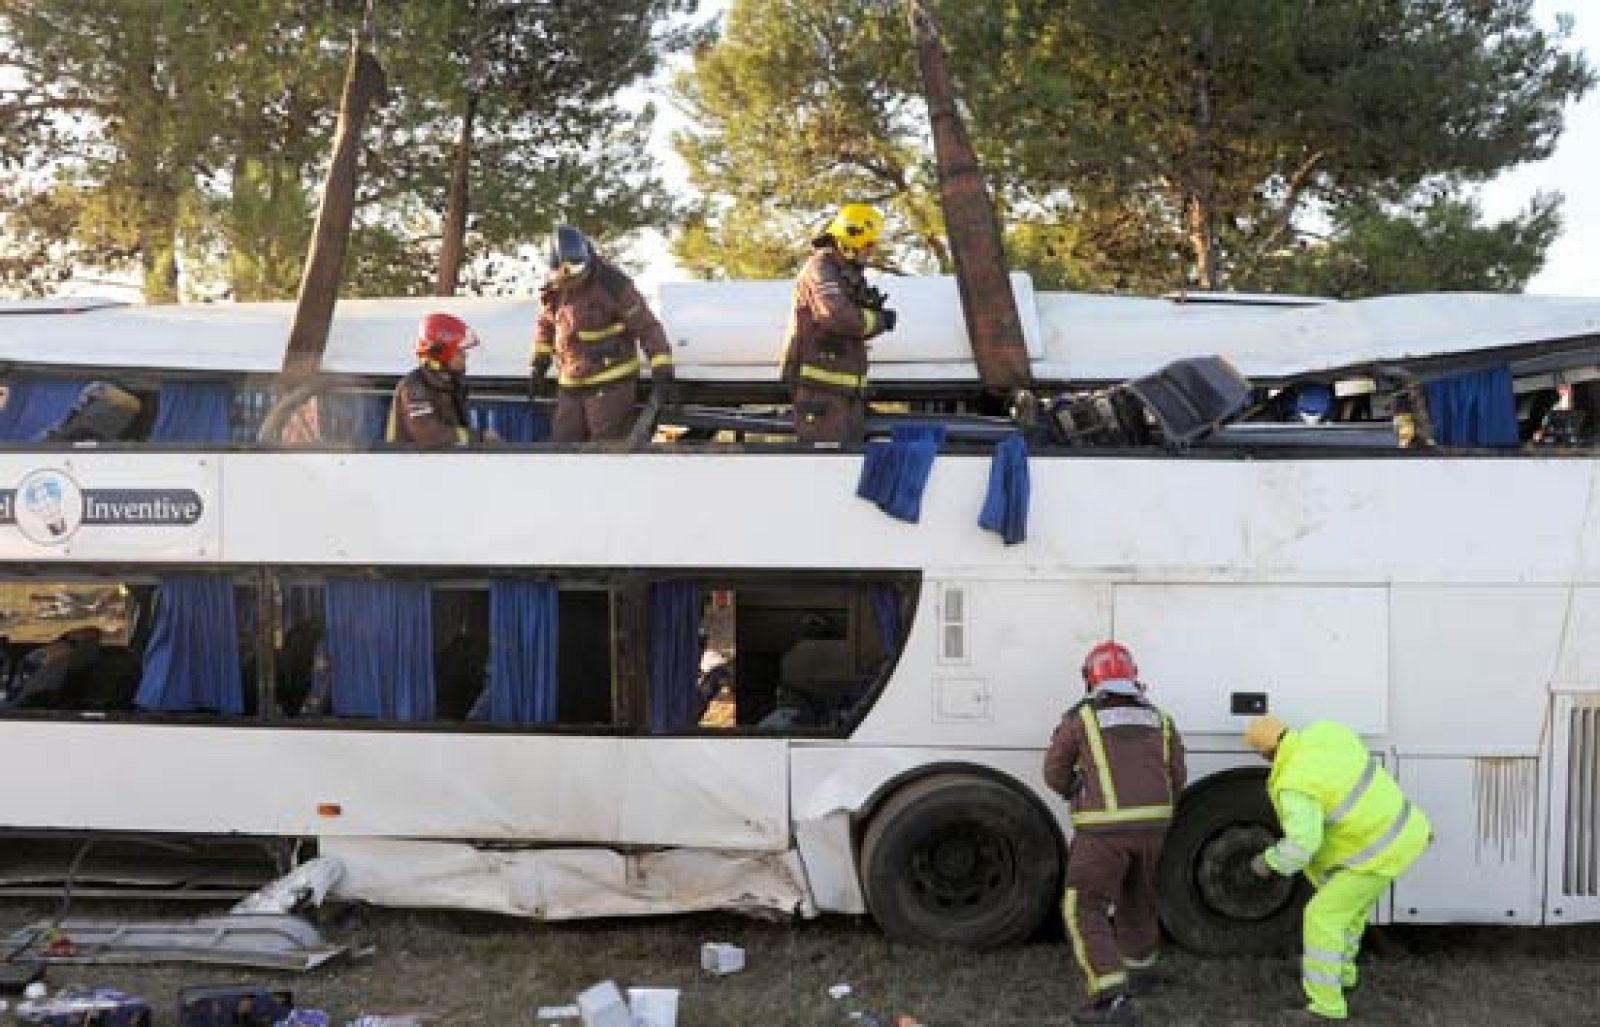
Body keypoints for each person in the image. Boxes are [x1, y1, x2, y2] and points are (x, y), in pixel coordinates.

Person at [1244, 715, 1432, 1022]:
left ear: (1265, 755)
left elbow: (1302, 846)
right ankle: (1344, 977)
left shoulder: (1294, 783)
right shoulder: (1327, 734)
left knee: (1322, 916)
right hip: (1405, 833)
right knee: (1349, 914)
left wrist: (1268, 862)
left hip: (1378, 851)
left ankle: (1326, 1006)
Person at [1042, 641, 1186, 1025]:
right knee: (1138, 899)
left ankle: (1111, 999)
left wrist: (1074, 792)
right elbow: (1178, 776)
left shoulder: (1081, 718)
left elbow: (1054, 771)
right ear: (1132, 676)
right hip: (1155, 827)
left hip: (1103, 831)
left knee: (1083, 907)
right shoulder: (1161, 718)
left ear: (1091, 678)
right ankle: (1140, 974)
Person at [529, 225, 676, 443]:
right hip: (571, 384)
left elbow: (647, 326)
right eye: (563, 270)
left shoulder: (613, 284)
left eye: (575, 268)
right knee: (563, 445)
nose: (570, 276)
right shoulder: (556, 288)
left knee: (606, 449)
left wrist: (662, 367)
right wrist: (538, 363)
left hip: (611, 383)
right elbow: (546, 325)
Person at [780, 203, 896, 445]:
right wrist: (877, 320)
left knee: (846, 470)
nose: (871, 252)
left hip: (842, 396)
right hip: (820, 395)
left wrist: (867, 312)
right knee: (826, 470)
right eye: (868, 245)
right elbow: (838, 317)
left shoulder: (845, 273)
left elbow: (850, 323)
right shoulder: (820, 269)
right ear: (849, 240)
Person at [386, 312, 483, 449]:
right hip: (408, 468)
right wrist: (479, 437)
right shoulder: (415, 387)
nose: (465, 355)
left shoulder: (450, 385)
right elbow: (429, 435)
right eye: (459, 351)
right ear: (441, 354)